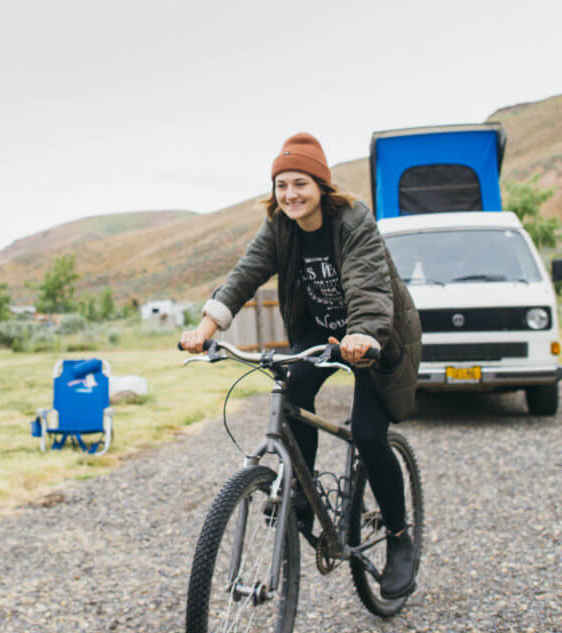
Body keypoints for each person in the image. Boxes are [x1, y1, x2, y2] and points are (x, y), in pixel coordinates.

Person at [180, 132, 422, 599]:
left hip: (371, 335)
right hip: (317, 336)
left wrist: (363, 334)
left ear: (321, 186)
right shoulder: (279, 228)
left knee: (370, 434)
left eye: (300, 183)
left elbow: (370, 285)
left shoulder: (352, 220)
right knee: (291, 398)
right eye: (281, 185)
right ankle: (303, 503)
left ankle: (399, 538)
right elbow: (244, 276)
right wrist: (205, 330)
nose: (290, 194)